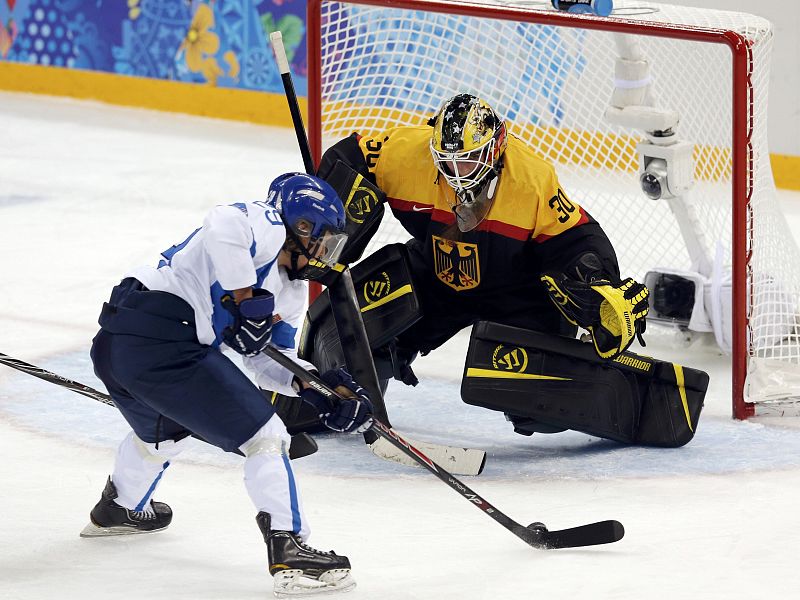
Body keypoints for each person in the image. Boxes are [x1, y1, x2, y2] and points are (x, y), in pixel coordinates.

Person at [81, 173, 373, 597]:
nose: (322, 255)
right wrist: (242, 298)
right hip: (166, 332)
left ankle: (119, 506)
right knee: (267, 436)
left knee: (166, 434)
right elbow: (222, 223)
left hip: (121, 346)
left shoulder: (290, 294)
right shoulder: (266, 226)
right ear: (302, 227)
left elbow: (265, 358)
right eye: (322, 241)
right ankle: (289, 547)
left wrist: (315, 389)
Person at [298, 93, 653, 440]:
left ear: (495, 149)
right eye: (447, 161)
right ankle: (329, 399)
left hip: (514, 295)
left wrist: (598, 282)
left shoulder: (531, 180)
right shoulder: (407, 153)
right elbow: (353, 155)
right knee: (344, 334)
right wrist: (322, 206)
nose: (456, 173)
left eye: (467, 160)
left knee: (535, 405)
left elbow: (576, 238)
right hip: (435, 277)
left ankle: (605, 389)